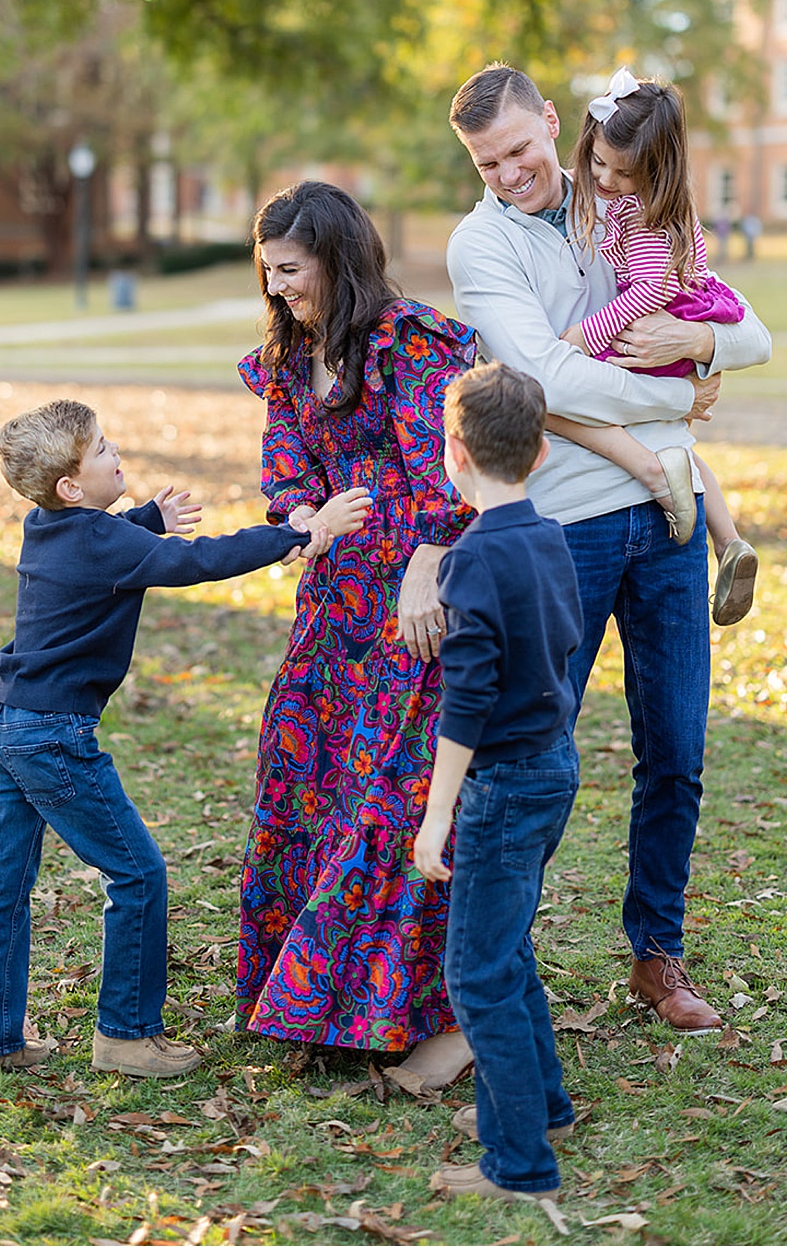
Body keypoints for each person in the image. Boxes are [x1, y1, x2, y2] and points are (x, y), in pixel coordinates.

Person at [446, 62, 774, 1035]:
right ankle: (496, 970)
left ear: (552, 123)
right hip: (565, 526)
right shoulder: (479, 244)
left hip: (670, 517)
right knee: (533, 752)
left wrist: (699, 345)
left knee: (675, 749)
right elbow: (541, 379)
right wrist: (679, 392)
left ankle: (655, 953)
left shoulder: (619, 196)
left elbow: (750, 331)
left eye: (518, 149)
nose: (508, 172)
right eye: (486, 162)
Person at [0, 399, 371, 1081]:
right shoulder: (102, 542)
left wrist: (148, 518)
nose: (116, 452)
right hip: (53, 736)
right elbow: (198, 561)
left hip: (5, 723)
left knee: (2, 884)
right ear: (70, 486)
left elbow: (106, 542)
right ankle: (126, 1035)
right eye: (101, 449)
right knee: (138, 874)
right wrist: (303, 532)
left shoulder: (47, 525)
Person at [234, 182, 480, 1087]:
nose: (280, 288)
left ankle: (401, 1012)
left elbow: (450, 473)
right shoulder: (289, 356)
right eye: (269, 273)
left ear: (338, 259)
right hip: (333, 601)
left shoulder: (408, 342)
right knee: (304, 778)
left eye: (292, 270)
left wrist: (425, 564)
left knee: (392, 797)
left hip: (417, 604)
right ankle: (312, 1001)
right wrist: (303, 513)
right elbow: (284, 465)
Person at [412, 362, 583, 1203]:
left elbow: (467, 701)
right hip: (554, 766)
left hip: (506, 782)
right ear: (541, 452)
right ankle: (541, 1107)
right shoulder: (550, 538)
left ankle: (520, 1166)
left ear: (454, 454)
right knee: (505, 945)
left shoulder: (473, 559)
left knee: (477, 973)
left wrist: (436, 815)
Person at [547, 69, 760, 622]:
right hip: (683, 318)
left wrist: (587, 335)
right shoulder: (661, 202)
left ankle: (670, 493)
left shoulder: (645, 215)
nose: (606, 178)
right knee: (681, 442)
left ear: (655, 169)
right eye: (598, 162)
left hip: (659, 325)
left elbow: (651, 290)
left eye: (624, 172)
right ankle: (729, 540)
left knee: (582, 403)